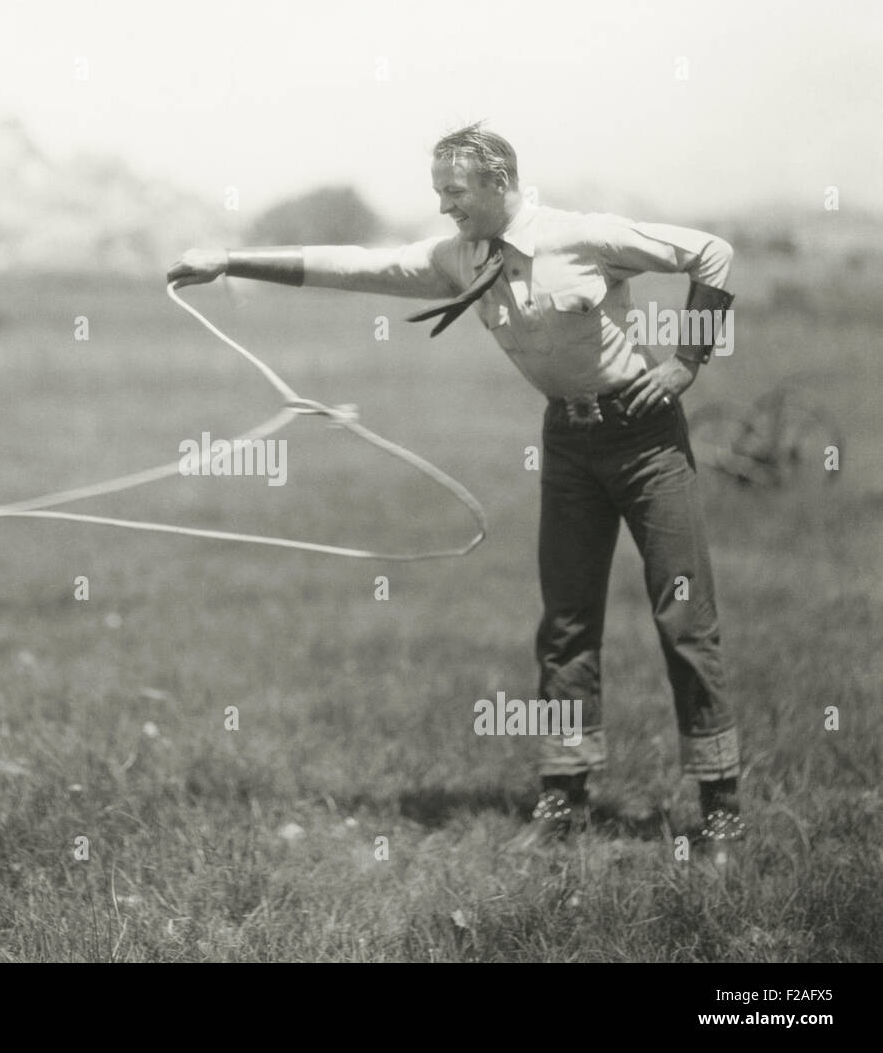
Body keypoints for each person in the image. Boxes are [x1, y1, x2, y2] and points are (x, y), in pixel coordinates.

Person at [167, 124, 743, 869]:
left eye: (455, 192)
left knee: (684, 622)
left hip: (647, 442)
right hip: (568, 446)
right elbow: (358, 266)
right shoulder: (459, 257)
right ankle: (564, 801)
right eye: (438, 192)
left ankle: (720, 813)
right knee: (566, 629)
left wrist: (688, 362)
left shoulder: (583, 237)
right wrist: (228, 260)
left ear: (500, 181)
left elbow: (713, 254)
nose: (444, 207)